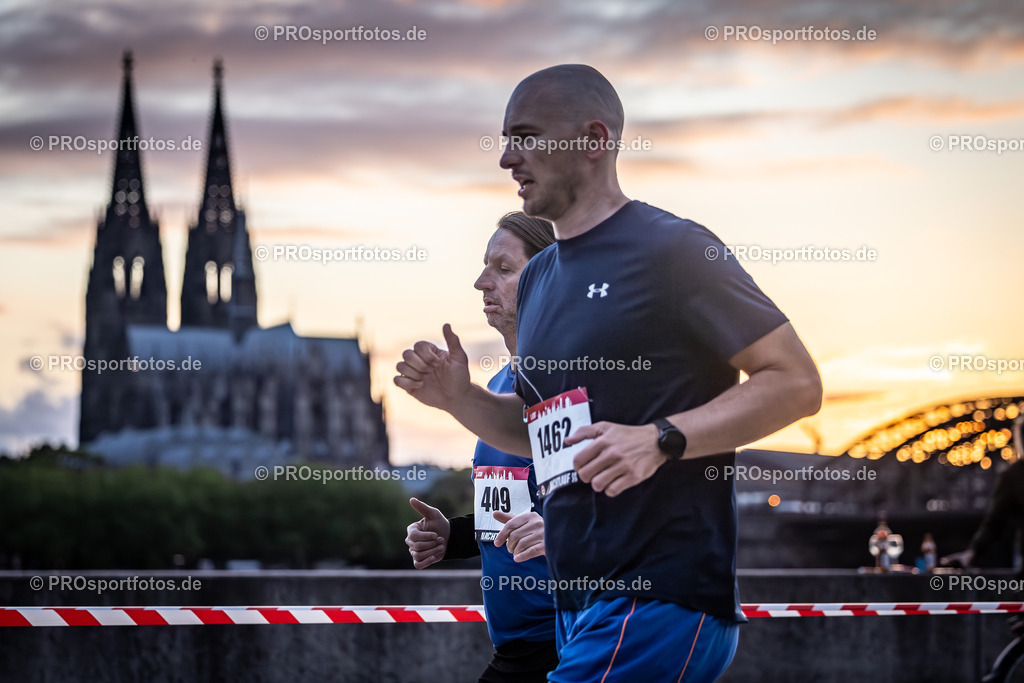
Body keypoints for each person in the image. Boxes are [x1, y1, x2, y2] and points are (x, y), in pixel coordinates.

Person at [395, 65, 822, 682]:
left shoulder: (672, 249)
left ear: (594, 140)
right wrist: (459, 398)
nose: (508, 159)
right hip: (578, 604)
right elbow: (537, 434)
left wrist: (660, 439)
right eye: (506, 139)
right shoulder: (541, 279)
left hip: (659, 597)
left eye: (527, 136)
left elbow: (796, 382)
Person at [404, 211, 558, 683]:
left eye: (503, 268)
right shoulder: (496, 386)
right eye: (484, 266)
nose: (480, 282)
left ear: (550, 276)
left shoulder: (574, 381)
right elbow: (517, 513)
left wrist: (559, 529)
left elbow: (630, 496)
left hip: (570, 640)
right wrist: (454, 537)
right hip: (517, 644)